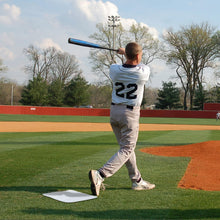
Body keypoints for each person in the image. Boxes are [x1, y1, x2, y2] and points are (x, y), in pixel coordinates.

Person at [89, 42, 155, 196]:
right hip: (130, 114)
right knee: (127, 149)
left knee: (126, 149)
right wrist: (127, 53)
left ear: (126, 55)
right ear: (138, 55)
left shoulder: (114, 69)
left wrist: (125, 54)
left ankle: (136, 180)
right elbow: (140, 64)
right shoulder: (143, 72)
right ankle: (100, 175)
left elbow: (124, 65)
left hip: (114, 112)